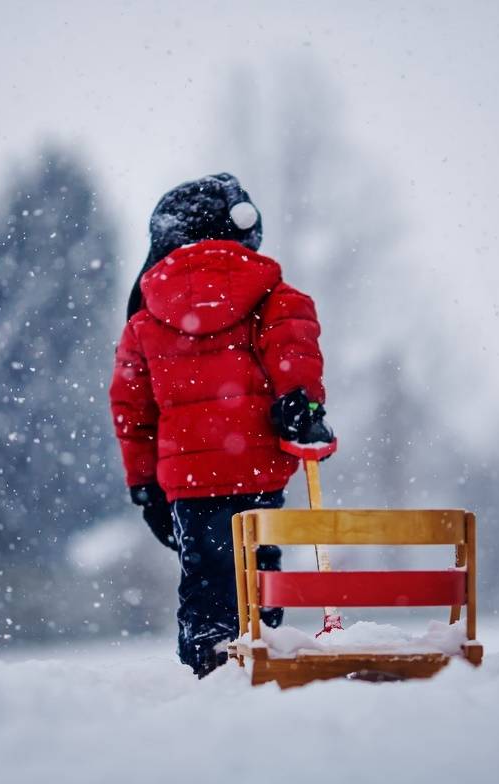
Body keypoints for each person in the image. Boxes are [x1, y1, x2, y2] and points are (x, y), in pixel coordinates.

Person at [109, 173, 334, 677]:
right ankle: (263, 652)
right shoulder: (274, 296)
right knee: (258, 571)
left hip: (188, 482)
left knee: (205, 576)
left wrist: (144, 485)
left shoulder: (144, 322)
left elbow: (132, 410)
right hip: (257, 468)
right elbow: (293, 349)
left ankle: (210, 659)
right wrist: (303, 405)